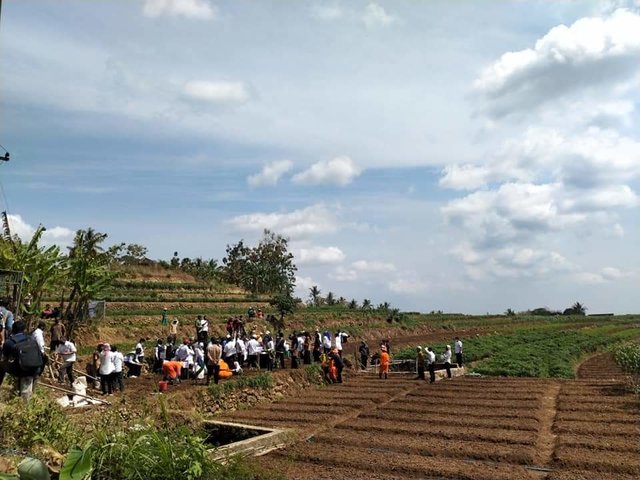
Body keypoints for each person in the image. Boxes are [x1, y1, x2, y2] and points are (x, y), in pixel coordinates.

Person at [2, 320, 44, 400]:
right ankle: (33, 393)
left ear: (13, 329)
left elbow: (5, 357)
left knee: (1, 364)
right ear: (24, 329)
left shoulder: (10, 341)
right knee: (33, 372)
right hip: (36, 369)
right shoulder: (32, 339)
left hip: (22, 370)